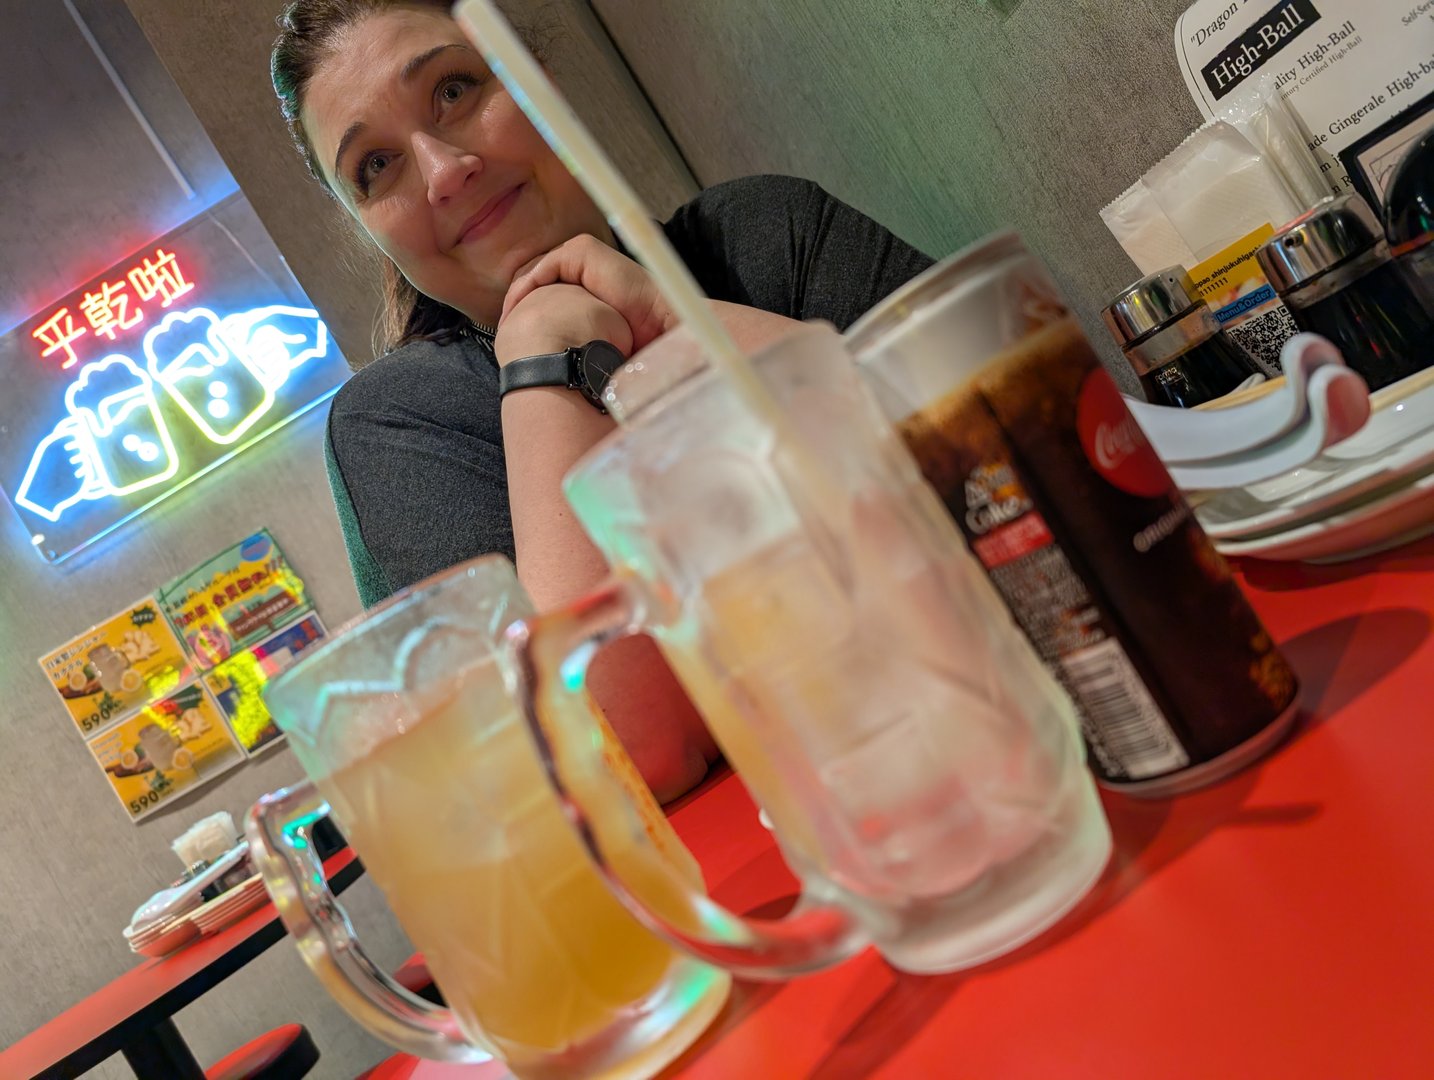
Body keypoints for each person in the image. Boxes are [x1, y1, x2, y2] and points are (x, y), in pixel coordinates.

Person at [271, 0, 934, 801]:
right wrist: (546, 356)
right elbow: (629, 756)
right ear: (367, 230)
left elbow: (1004, 454)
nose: (444, 172)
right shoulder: (403, 426)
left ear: (539, 81)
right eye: (376, 167)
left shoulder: (763, 235)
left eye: (454, 89)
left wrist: (660, 317)